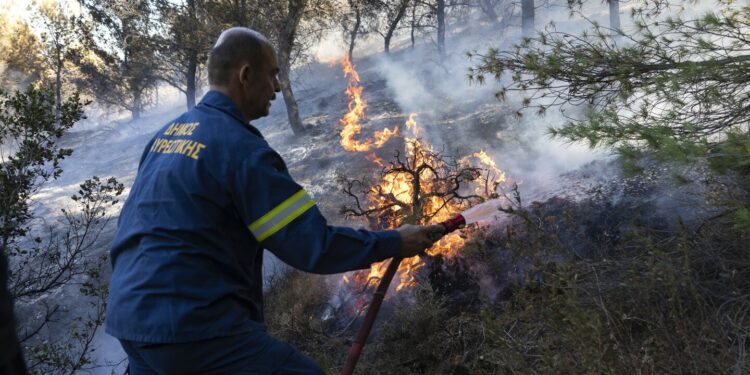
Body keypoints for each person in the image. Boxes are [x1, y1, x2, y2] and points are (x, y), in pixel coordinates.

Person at [105, 27, 444, 374]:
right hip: (192, 328)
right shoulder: (240, 150)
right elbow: (313, 245)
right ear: (246, 75)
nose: (278, 88)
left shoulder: (168, 135)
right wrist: (395, 241)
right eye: (273, 75)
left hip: (130, 322)